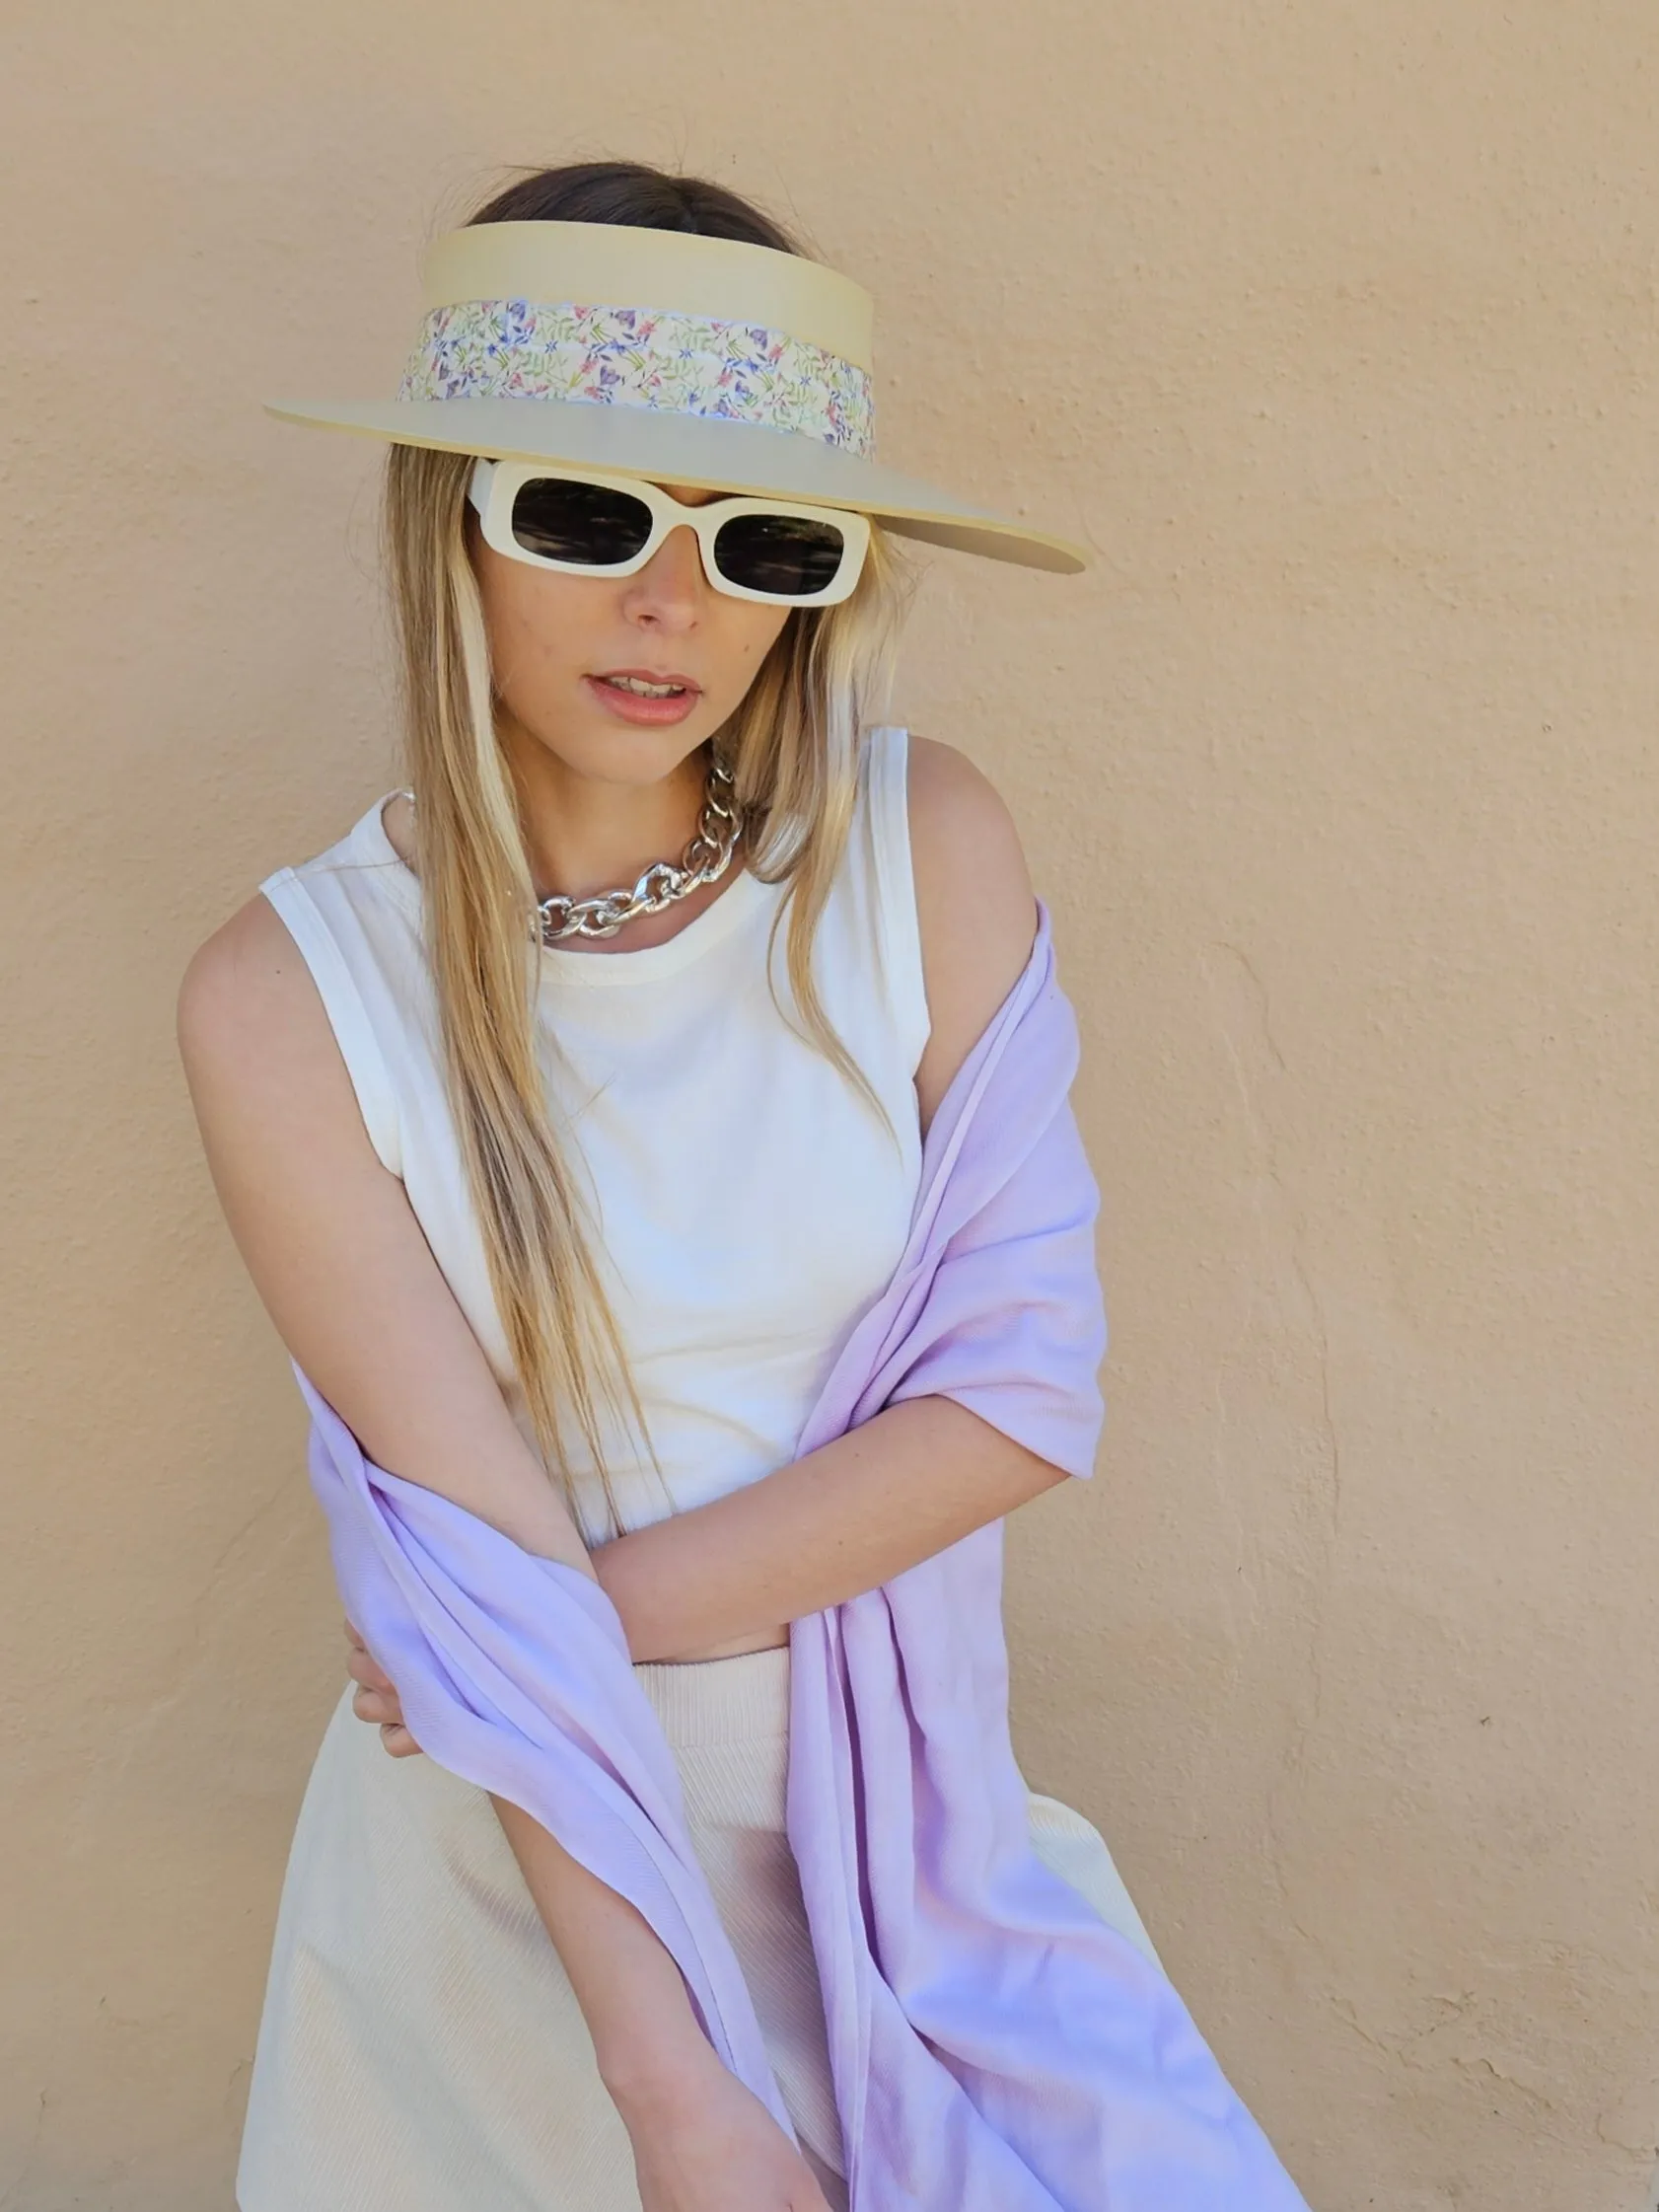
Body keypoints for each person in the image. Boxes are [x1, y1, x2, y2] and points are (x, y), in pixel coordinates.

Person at [178, 162, 1299, 2212]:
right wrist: (676, 2091)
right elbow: (455, 1520)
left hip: (895, 1839)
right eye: (587, 515)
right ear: (447, 518)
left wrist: (521, 1633)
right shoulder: (289, 997)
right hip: (504, 1892)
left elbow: (1016, 1395)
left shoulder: (914, 851)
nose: (671, 605)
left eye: (762, 537)